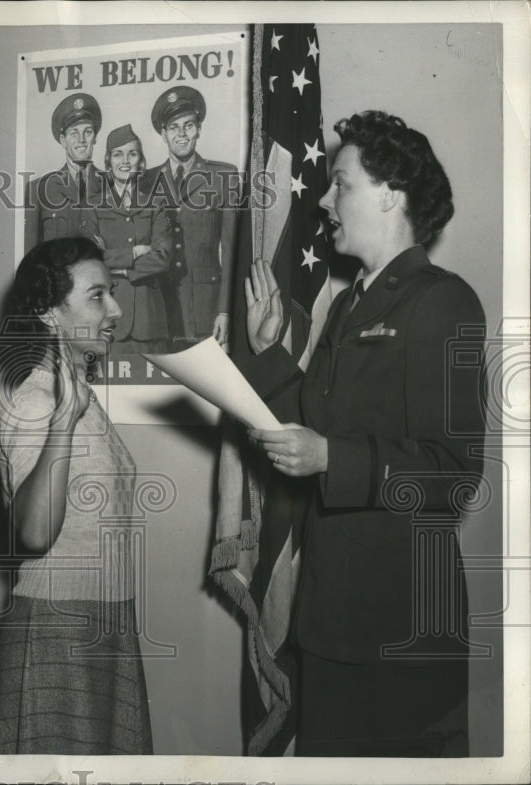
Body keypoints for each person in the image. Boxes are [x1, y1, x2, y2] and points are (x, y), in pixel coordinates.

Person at [242, 111, 485, 756]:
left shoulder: (443, 301)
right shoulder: (351, 305)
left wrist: (332, 457)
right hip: (330, 621)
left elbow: (454, 472)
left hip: (398, 629)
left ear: (390, 192)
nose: (324, 200)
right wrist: (269, 354)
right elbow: (319, 429)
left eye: (340, 183)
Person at [0, 237, 153, 755]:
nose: (116, 309)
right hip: (56, 630)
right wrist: (62, 421)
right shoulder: (37, 401)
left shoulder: (78, 397)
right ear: (48, 313)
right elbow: (34, 533)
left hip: (108, 621)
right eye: (97, 296)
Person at [139, 86, 241, 349]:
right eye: (173, 127)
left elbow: (231, 251)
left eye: (189, 126)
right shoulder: (146, 181)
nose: (182, 135)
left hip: (204, 308)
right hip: (158, 306)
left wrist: (226, 310)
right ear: (163, 134)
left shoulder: (223, 177)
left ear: (199, 129)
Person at [80, 123, 171, 355]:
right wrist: (133, 253)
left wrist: (117, 268)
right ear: (108, 161)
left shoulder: (156, 204)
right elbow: (88, 260)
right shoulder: (93, 206)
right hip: (108, 318)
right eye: (118, 155)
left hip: (150, 319)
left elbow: (163, 258)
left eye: (132, 154)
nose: (125, 161)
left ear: (141, 161)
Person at [24, 92, 105, 252]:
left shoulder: (113, 185)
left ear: (95, 137)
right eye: (74, 133)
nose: (81, 140)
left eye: (87, 132)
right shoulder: (38, 189)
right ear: (63, 140)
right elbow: (30, 255)